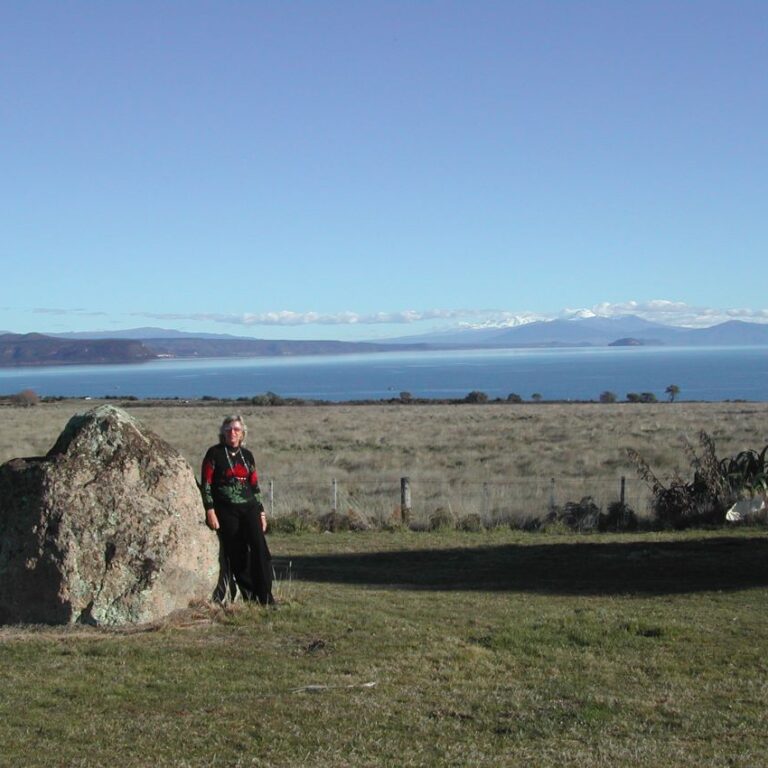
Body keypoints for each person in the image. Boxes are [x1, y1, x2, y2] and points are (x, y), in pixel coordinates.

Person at [201, 415, 274, 605]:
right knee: (237, 552)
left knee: (260, 549)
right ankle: (249, 594)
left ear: (242, 434)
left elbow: (254, 486)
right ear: (223, 433)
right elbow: (206, 484)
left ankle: (266, 596)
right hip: (226, 510)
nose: (232, 433)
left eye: (236, 430)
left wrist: (261, 512)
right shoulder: (214, 453)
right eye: (228, 430)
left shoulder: (247, 455)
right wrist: (210, 510)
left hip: (250, 508)